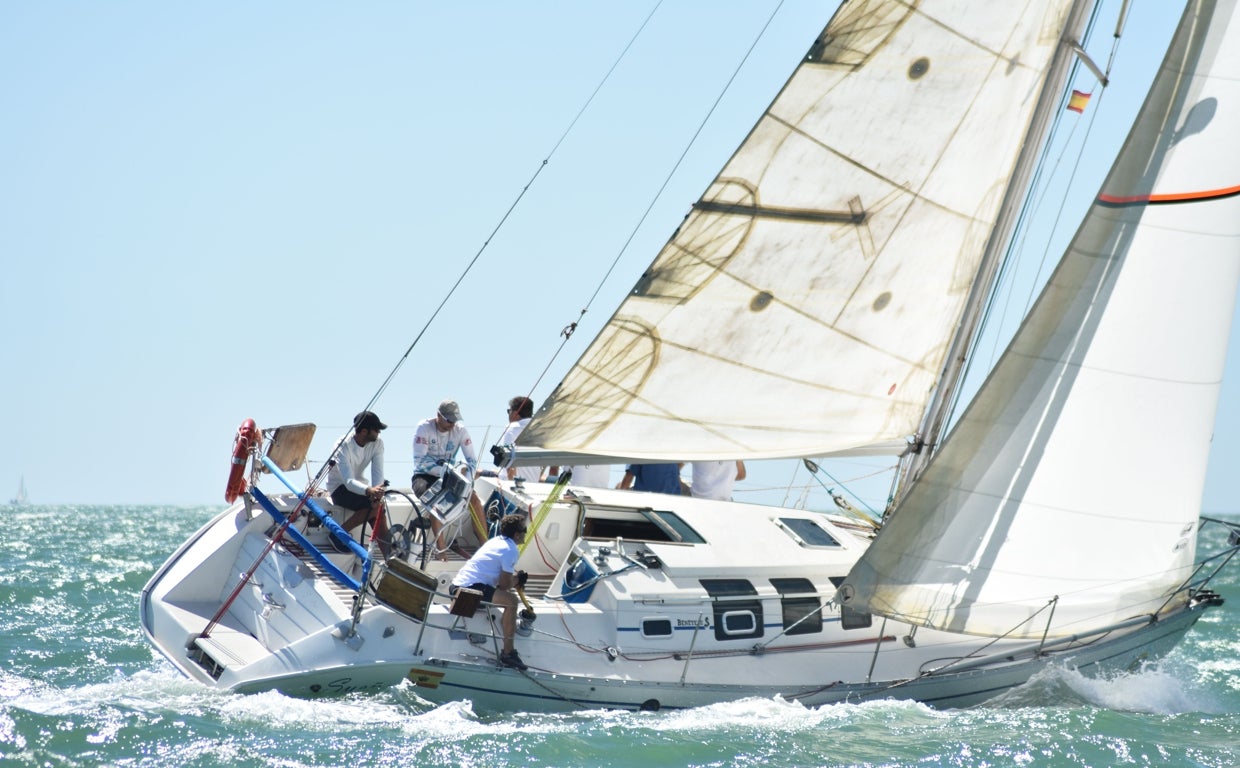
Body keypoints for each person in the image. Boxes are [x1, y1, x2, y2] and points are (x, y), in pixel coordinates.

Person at [449, 514, 530, 670]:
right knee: (512, 602)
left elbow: (500, 581)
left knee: (504, 598)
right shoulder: (511, 549)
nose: (526, 533)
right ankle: (508, 653)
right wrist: (518, 580)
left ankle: (506, 626)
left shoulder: (496, 541)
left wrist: (514, 578)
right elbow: (505, 585)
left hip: (456, 586)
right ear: (517, 534)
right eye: (524, 530)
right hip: (469, 590)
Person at [412, 399, 478, 557]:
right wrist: (446, 471)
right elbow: (420, 463)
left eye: (455, 420)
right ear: (438, 416)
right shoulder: (424, 427)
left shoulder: (460, 431)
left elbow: (472, 461)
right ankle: (441, 550)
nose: (452, 424)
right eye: (449, 420)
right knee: (435, 499)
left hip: (449, 475)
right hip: (424, 476)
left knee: (474, 499)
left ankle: (485, 545)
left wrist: (467, 480)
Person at [325, 410, 390, 556]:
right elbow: (348, 482)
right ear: (364, 431)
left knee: (379, 509)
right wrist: (370, 491)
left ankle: (390, 556)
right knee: (374, 509)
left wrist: (377, 493)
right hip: (339, 488)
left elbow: (377, 473)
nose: (379, 432)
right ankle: (337, 534)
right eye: (376, 429)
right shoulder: (342, 445)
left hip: (362, 487)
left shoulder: (378, 443)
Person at [496, 396, 540, 483]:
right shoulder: (538, 429)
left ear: (515, 413)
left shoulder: (512, 429)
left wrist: (510, 487)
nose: (508, 414)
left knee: (467, 470)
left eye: (509, 411)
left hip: (512, 482)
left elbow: (508, 461)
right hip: (534, 482)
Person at [617, 462, 683, 494]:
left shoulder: (643, 454)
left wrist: (620, 496)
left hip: (646, 500)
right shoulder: (673, 452)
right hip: (671, 498)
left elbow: (629, 476)